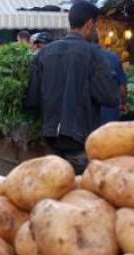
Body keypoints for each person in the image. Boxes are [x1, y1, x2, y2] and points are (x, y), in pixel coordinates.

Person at [27, 0, 118, 173]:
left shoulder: (44, 53)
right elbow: (110, 97)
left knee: (57, 190)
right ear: (90, 24)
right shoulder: (94, 54)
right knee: (80, 194)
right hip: (81, 139)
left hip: (50, 138)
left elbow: (32, 99)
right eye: (96, 25)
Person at [99, 49, 127, 124]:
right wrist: (123, 104)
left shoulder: (81, 57)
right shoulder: (113, 57)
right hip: (110, 114)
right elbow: (122, 88)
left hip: (88, 118)